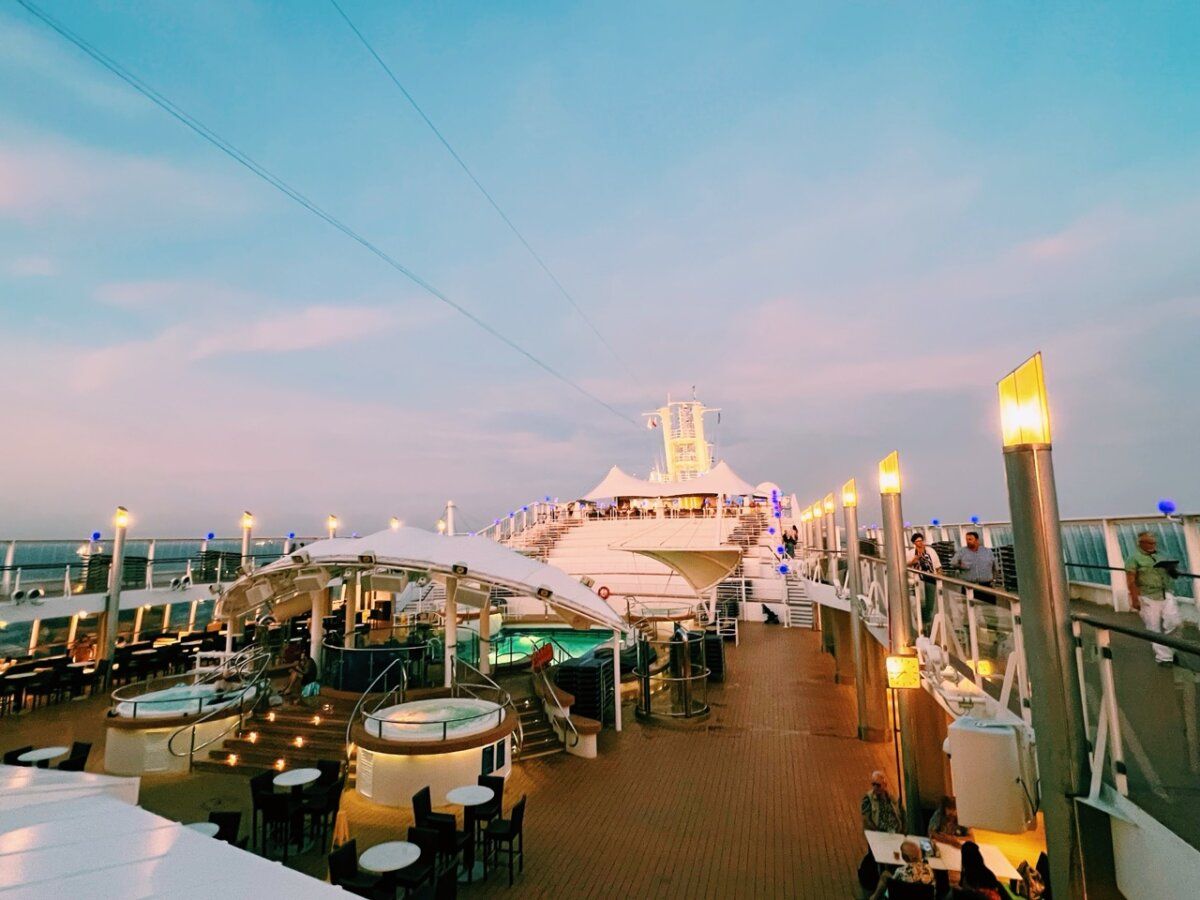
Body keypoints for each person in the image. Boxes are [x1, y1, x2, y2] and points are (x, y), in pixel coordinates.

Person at [1125, 531, 1178, 666]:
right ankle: (1164, 657)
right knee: (1153, 628)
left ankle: (1171, 650)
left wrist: (1171, 569)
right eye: (1149, 543)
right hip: (1147, 596)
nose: (1152, 545)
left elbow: (1173, 575)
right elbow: (1131, 580)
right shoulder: (1134, 558)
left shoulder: (1161, 555)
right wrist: (1134, 598)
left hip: (1166, 593)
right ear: (1140, 543)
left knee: (1174, 622)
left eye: (1154, 543)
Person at [869, 839, 935, 900]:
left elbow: (892, 887)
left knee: (885, 874)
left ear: (904, 857)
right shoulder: (929, 869)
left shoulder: (900, 871)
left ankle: (873, 898)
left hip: (903, 895)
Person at [949, 532, 998, 603]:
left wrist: (994, 580)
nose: (968, 541)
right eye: (966, 539)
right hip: (969, 586)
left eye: (970, 539)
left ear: (977, 540)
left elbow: (995, 567)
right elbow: (953, 563)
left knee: (990, 609)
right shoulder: (962, 552)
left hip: (986, 586)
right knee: (969, 610)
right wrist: (961, 566)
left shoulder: (987, 552)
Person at [907, 533, 941, 631]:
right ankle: (921, 622)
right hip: (918, 580)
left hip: (930, 579)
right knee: (919, 601)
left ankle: (927, 621)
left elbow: (938, 565)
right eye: (918, 541)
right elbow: (905, 566)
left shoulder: (930, 551)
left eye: (921, 540)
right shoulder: (910, 553)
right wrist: (912, 562)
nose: (920, 543)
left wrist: (939, 577)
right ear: (914, 543)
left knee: (930, 602)